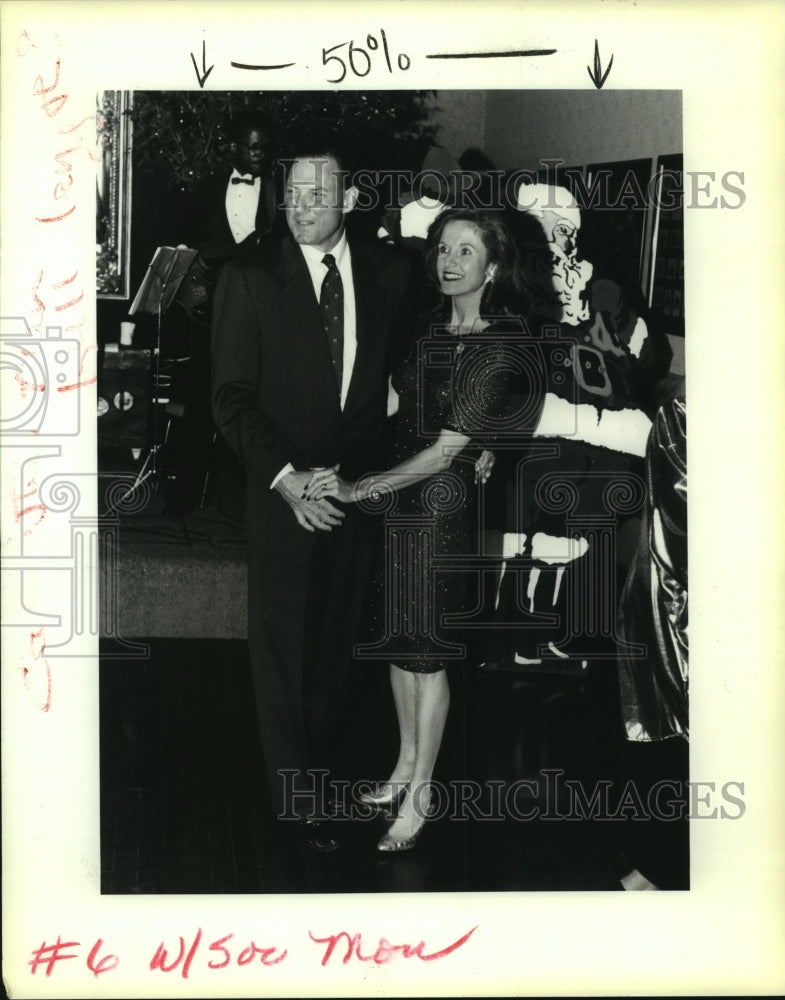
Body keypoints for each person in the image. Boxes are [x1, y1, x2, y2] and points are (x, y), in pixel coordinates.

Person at [305, 208, 529, 851]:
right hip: (404, 503)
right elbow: (396, 402)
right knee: (400, 646)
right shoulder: (432, 326)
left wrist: (357, 487)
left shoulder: (500, 341)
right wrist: (328, 431)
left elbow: (442, 452)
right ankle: (403, 765)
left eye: (467, 251)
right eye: (444, 249)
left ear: (493, 266)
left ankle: (423, 794)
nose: (450, 261)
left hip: (441, 510)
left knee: (427, 657)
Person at [211, 148, 413, 851]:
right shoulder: (248, 276)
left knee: (332, 654)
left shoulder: (391, 274)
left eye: (316, 194)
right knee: (281, 653)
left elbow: (403, 378)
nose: (300, 206)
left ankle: (315, 770)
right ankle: (295, 803)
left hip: (354, 495)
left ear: (351, 198)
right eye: (291, 193)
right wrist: (287, 479)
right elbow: (230, 399)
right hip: (283, 495)